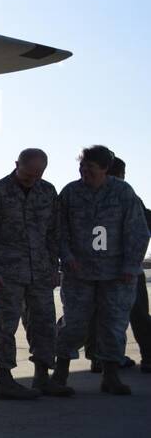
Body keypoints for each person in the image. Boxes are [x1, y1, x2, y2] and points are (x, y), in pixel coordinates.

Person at [0, 148, 70, 398]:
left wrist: (54, 266)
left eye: (38, 174)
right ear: (17, 165)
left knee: (44, 324)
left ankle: (41, 378)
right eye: (27, 174)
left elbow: (54, 233)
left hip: (40, 273)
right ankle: (4, 381)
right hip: (7, 274)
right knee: (4, 326)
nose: (32, 179)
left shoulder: (47, 192)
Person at [52, 146, 150, 395]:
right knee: (74, 324)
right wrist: (67, 257)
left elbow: (138, 232)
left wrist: (130, 265)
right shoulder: (70, 193)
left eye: (91, 169)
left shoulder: (123, 193)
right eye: (82, 168)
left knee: (113, 325)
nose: (85, 172)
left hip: (117, 274)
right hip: (79, 273)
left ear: (106, 169)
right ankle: (59, 375)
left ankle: (111, 376)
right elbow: (58, 231)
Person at [81, 157, 151, 373]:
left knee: (95, 315)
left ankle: (98, 358)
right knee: (138, 313)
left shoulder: (80, 195)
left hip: (94, 268)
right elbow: (144, 226)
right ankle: (147, 357)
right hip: (125, 267)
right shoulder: (125, 194)